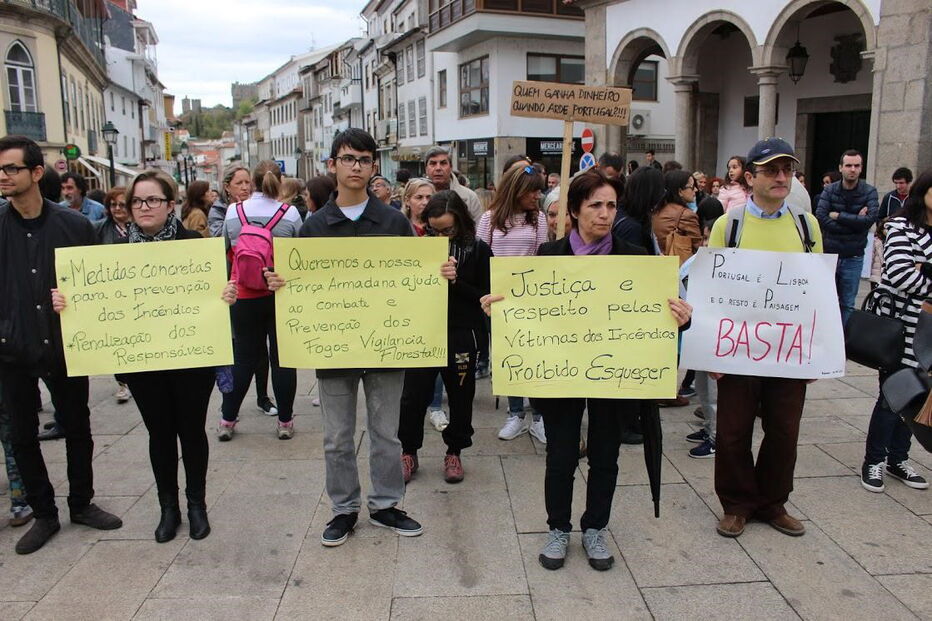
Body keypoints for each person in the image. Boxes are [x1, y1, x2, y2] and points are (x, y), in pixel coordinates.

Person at [480, 170, 692, 571]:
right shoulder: (548, 257)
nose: (605, 213)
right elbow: (524, 311)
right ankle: (558, 528)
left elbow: (663, 314)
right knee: (560, 455)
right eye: (595, 205)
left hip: (614, 376)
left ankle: (596, 527)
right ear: (574, 210)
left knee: (606, 456)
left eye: (611, 205)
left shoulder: (636, 259)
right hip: (560, 375)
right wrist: (498, 309)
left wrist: (682, 317)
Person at [266, 128, 455, 547]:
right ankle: (344, 509)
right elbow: (299, 284)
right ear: (332, 164)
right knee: (336, 437)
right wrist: (282, 283)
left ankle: (386, 503)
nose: (357, 167)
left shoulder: (393, 222)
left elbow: (415, 279)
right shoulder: (314, 228)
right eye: (348, 158)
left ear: (374, 166)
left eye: (365, 160)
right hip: (334, 351)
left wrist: (438, 274)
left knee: (386, 434)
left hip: (387, 350)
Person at [52, 170, 238, 543]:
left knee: (191, 430)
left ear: (171, 205)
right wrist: (66, 303)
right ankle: (168, 507)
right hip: (142, 359)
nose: (144, 207)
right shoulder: (115, 253)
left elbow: (215, 295)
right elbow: (93, 298)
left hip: (191, 356)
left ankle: (196, 504)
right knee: (159, 433)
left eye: (153, 200)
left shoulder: (196, 247)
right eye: (137, 201)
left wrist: (226, 295)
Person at [0, 135, 122, 554]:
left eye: (11, 168)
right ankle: (44, 512)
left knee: (78, 427)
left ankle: (81, 503)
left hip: (67, 347)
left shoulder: (74, 226)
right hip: (12, 350)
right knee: (21, 434)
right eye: (0, 169)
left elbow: (97, 286)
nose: (3, 176)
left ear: (36, 173)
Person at [707, 138, 823, 539]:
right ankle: (737, 504)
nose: (781, 177)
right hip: (738, 350)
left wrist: (814, 354)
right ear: (750, 176)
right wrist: (712, 354)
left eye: (787, 170)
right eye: (772, 170)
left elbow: (816, 295)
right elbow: (713, 292)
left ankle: (773, 502)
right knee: (734, 431)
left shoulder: (806, 226)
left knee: (784, 431)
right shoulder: (730, 224)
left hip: (788, 352)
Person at [398, 190, 490, 484]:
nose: (440, 238)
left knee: (461, 396)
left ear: (461, 223)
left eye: (447, 230)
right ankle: (408, 451)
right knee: (413, 396)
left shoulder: (477, 250)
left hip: (462, 333)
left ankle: (455, 451)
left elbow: (487, 297)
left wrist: (456, 282)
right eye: (433, 231)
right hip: (423, 331)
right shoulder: (417, 247)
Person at [860, 169, 932, 493]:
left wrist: (925, 270)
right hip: (902, 324)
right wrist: (923, 276)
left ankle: (898, 458)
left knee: (919, 394)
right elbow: (901, 275)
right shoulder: (901, 226)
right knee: (893, 393)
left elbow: (916, 276)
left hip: (930, 331)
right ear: (923, 191)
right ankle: (873, 460)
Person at [219, 160, 302, 441]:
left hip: (243, 293)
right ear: (279, 181)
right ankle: (285, 421)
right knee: (282, 360)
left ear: (252, 182)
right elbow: (297, 254)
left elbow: (226, 248)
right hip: (279, 293)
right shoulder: (289, 213)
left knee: (243, 359)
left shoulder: (234, 211)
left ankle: (228, 419)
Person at [476, 163, 549, 443]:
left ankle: (539, 416)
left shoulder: (538, 219)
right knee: (509, 356)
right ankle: (516, 413)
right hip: (499, 299)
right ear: (517, 190)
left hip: (531, 298)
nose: (538, 196)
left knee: (536, 356)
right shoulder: (490, 218)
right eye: (533, 190)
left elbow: (541, 255)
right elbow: (482, 257)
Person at [815, 150, 879, 324]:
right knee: (825, 301)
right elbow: (821, 216)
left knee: (848, 304)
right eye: (849, 165)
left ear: (861, 168)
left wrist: (839, 216)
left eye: (856, 166)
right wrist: (855, 222)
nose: (852, 169)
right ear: (841, 168)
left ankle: (844, 344)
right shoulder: (829, 191)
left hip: (853, 257)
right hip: (830, 255)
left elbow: (870, 220)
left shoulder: (869, 191)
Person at [93, 186, 134, 405]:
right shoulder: (98, 229)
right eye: (113, 204)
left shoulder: (139, 228)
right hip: (112, 293)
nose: (117, 209)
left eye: (122, 204)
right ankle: (122, 383)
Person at [652, 169, 702, 264]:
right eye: (692, 187)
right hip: (679, 269)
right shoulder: (686, 215)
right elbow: (699, 249)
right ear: (680, 191)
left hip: (659, 265)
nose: (696, 190)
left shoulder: (657, 210)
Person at [425, 146, 482, 221]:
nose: (438, 168)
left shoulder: (470, 197)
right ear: (426, 169)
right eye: (433, 163)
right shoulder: (415, 197)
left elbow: (478, 230)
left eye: (443, 163)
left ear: (451, 167)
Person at [209, 165, 250, 237]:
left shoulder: (255, 206)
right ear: (227, 187)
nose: (245, 187)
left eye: (247, 182)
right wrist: (237, 211)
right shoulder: (218, 209)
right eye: (239, 183)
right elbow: (219, 237)